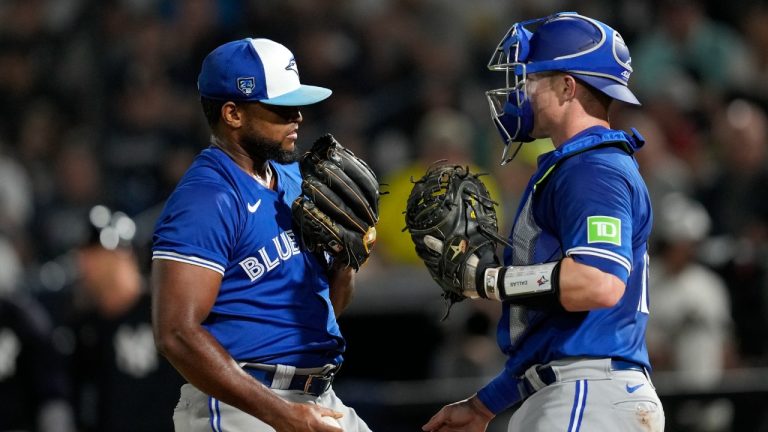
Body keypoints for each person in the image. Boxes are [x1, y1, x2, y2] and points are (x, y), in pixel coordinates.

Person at [423, 12, 665, 431]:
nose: (519, 91)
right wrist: (485, 404)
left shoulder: (593, 168)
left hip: (587, 395)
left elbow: (597, 283)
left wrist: (490, 281)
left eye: (531, 79)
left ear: (567, 86)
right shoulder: (580, 165)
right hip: (576, 392)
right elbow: (558, 331)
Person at [151, 37, 371, 432]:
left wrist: (346, 263)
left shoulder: (295, 179)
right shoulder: (206, 197)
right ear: (232, 113)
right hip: (242, 407)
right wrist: (280, 413)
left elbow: (322, 311)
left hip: (317, 396)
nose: (298, 116)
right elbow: (175, 333)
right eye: (281, 108)